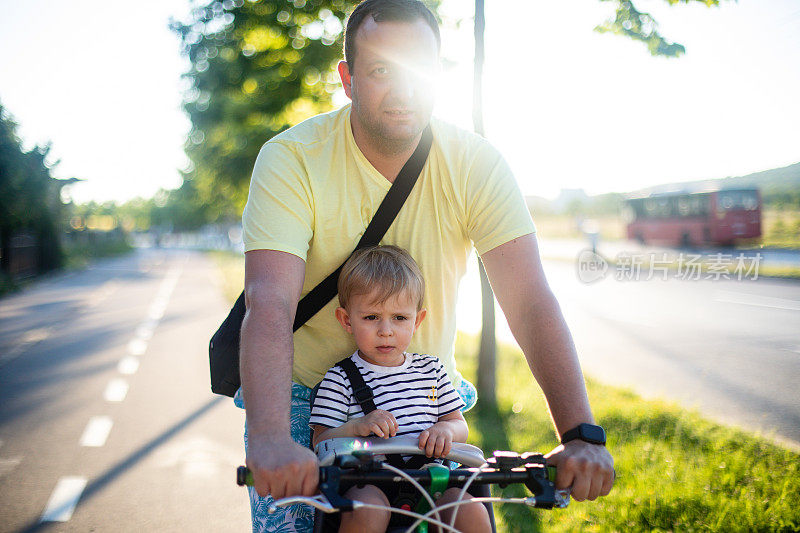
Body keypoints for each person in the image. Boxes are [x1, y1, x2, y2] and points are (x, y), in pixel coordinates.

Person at [239, 0, 615, 531]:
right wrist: (274, 438)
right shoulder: (293, 158)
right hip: (308, 404)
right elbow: (270, 300)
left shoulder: (475, 163)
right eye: (379, 70)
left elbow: (528, 298)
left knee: (465, 517)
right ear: (347, 79)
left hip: (429, 402)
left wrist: (581, 435)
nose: (404, 88)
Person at [308, 245, 491, 533]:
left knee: (468, 509)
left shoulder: (432, 371)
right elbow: (321, 442)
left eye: (400, 318)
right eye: (371, 317)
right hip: (368, 481)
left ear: (417, 320)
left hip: (433, 480)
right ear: (346, 320)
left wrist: (445, 431)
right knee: (366, 509)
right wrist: (357, 427)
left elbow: (458, 424)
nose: (386, 330)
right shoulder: (339, 378)